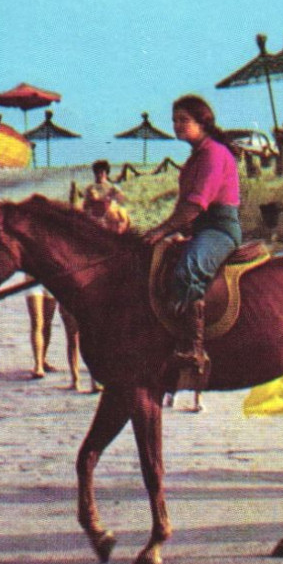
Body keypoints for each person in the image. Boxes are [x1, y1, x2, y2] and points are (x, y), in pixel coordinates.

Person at [142, 94, 242, 386]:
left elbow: (195, 205)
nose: (176, 125)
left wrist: (162, 230)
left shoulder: (214, 154)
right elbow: (185, 208)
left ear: (203, 122)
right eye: (174, 120)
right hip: (199, 228)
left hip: (220, 230)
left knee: (189, 268)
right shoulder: (196, 156)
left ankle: (193, 349)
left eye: (183, 120)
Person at [25, 285, 82, 390]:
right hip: (33, 283)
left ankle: (42, 360)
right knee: (37, 322)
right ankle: (38, 366)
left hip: (50, 283)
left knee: (47, 323)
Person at [80, 159, 130, 233]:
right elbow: (85, 206)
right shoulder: (90, 188)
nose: (99, 175)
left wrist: (112, 198)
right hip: (95, 219)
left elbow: (122, 201)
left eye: (102, 172)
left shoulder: (112, 187)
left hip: (111, 219)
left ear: (106, 173)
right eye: (97, 172)